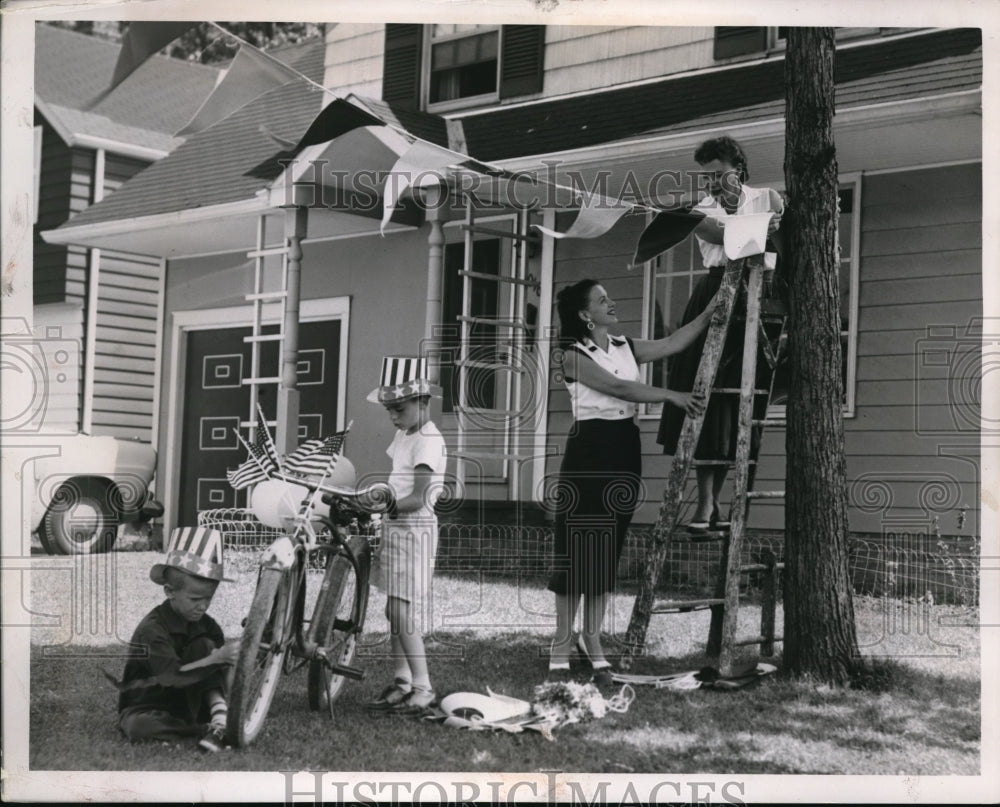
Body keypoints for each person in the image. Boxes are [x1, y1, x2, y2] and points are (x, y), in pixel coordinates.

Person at [547, 278, 715, 683]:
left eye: (610, 296)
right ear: (585, 315)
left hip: (624, 446)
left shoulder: (624, 344)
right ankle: (561, 643)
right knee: (578, 545)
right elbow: (618, 386)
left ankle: (593, 641)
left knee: (607, 544)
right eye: (602, 300)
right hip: (589, 448)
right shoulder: (570, 355)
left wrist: (709, 313)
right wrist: (671, 396)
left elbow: (674, 343)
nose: (612, 302)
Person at [657, 135, 784, 531]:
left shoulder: (768, 197)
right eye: (705, 176)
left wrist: (762, 228)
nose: (711, 182)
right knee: (705, 394)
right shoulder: (702, 209)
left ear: (738, 169)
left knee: (736, 399)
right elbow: (724, 239)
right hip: (716, 292)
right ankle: (705, 504)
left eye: (718, 174)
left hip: (760, 295)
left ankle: (725, 503)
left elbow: (780, 241)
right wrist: (761, 229)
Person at [365, 356, 448, 715]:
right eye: (389, 411)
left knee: (401, 610)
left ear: (423, 402)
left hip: (414, 530)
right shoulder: (405, 435)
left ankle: (423, 686)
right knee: (391, 608)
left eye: (399, 408)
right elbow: (397, 480)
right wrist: (379, 497)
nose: (394, 417)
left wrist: (382, 506)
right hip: (397, 526)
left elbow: (418, 497)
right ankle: (401, 680)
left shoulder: (428, 441)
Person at [114, 526, 238, 752]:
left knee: (206, 645)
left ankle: (219, 717)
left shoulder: (207, 625)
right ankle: (207, 730)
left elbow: (220, 679)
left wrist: (227, 663)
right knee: (138, 726)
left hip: (192, 703)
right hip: (149, 705)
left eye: (208, 598)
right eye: (194, 599)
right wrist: (216, 660)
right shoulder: (152, 630)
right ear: (170, 592)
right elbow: (172, 677)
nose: (203, 606)